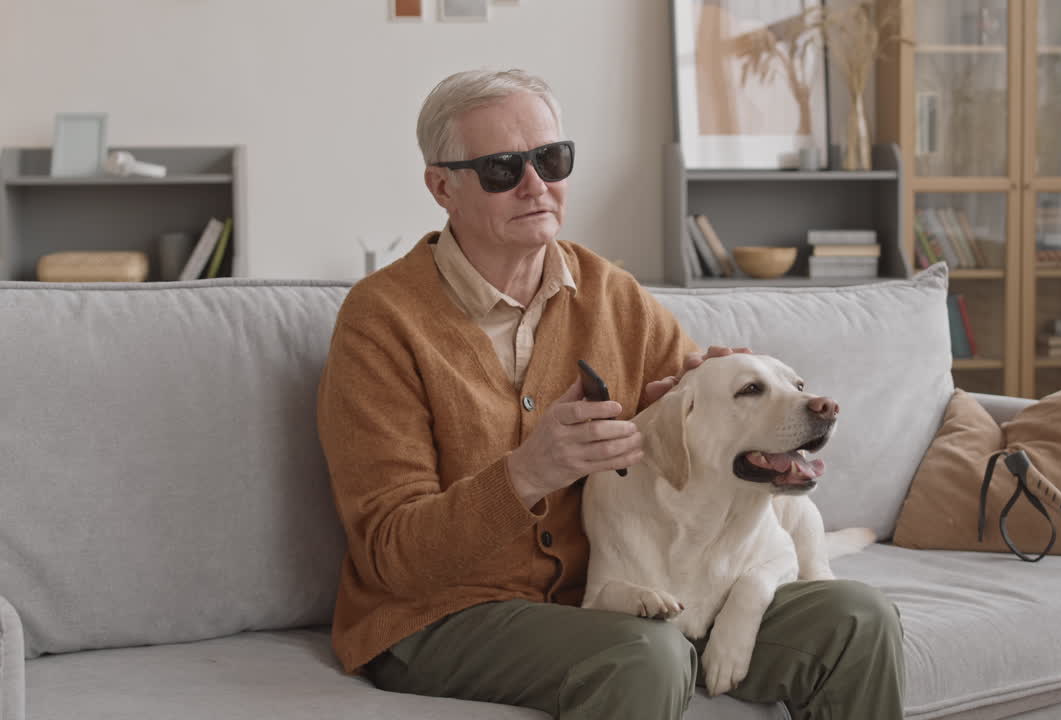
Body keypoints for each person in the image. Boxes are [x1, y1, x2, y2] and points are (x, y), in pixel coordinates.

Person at [315, 68, 905, 720]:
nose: (536, 184)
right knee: (644, 653)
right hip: (439, 613)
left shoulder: (613, 296)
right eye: (502, 169)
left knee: (856, 616)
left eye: (551, 158)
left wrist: (707, 396)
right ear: (441, 186)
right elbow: (393, 556)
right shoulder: (382, 323)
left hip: (609, 603)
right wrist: (526, 474)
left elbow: (691, 427)